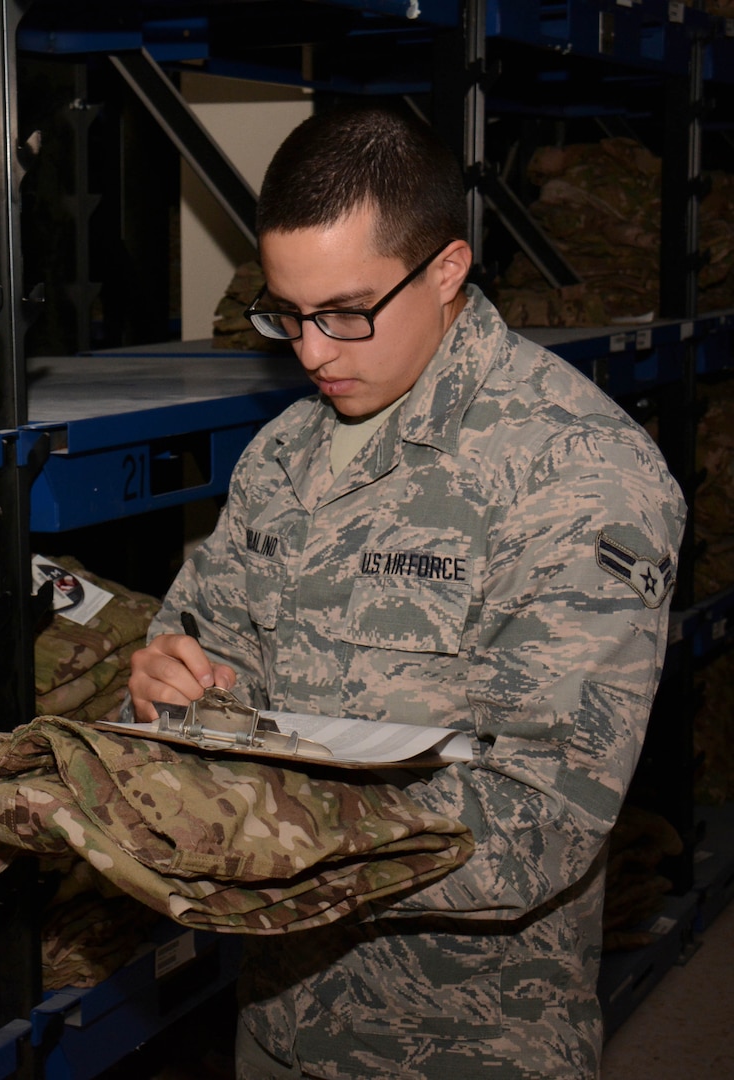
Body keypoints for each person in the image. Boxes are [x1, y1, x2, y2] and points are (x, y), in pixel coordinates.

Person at [128, 107, 687, 1079]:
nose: (310, 353)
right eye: (285, 314)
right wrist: (165, 685)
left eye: (345, 313)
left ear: (446, 270)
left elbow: (545, 820)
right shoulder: (284, 455)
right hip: (277, 1017)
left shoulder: (578, 474)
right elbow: (199, 647)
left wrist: (269, 839)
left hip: (460, 1041)